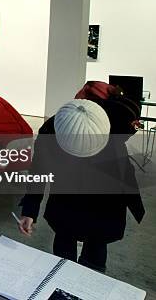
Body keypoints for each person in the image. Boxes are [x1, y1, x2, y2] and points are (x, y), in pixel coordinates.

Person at [17, 82, 144, 272]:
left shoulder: (113, 124)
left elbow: (123, 169)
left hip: (104, 202)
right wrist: (30, 209)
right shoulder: (52, 129)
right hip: (67, 201)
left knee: (94, 257)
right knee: (63, 255)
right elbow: (39, 171)